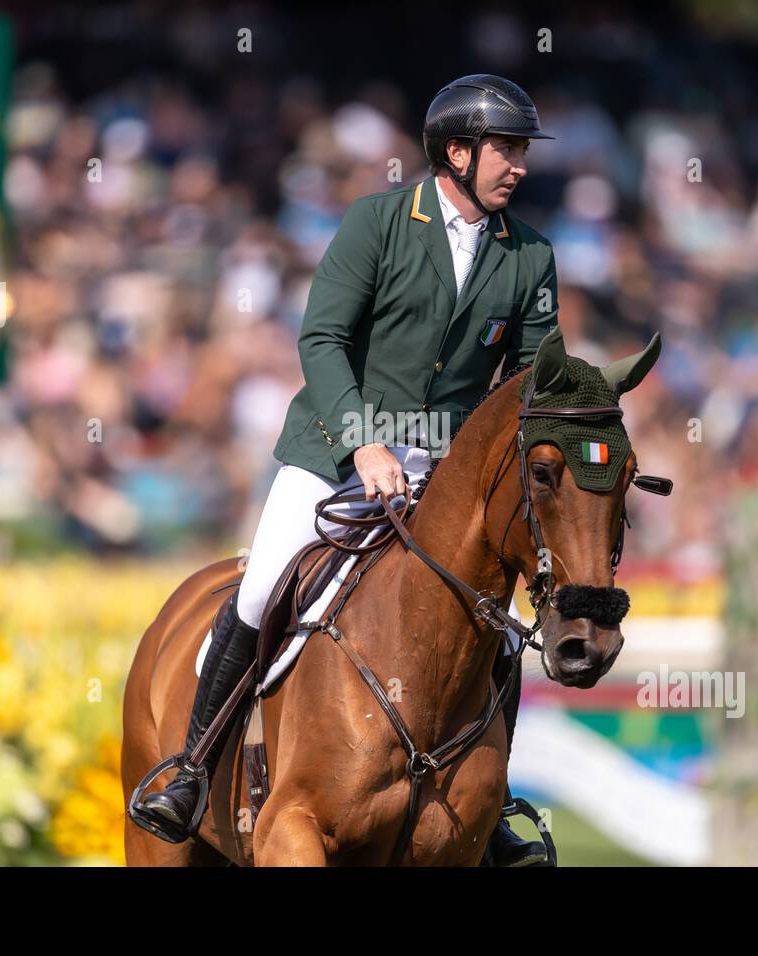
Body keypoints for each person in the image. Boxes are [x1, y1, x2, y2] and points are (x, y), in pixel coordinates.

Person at [133, 75, 561, 865]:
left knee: (494, 628)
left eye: (523, 150)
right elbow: (322, 341)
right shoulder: (379, 223)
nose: (520, 165)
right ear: (456, 152)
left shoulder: (529, 255)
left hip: (442, 474)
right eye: (507, 148)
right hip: (335, 452)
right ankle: (189, 769)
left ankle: (489, 811)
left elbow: (529, 382)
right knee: (262, 586)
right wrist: (366, 442)